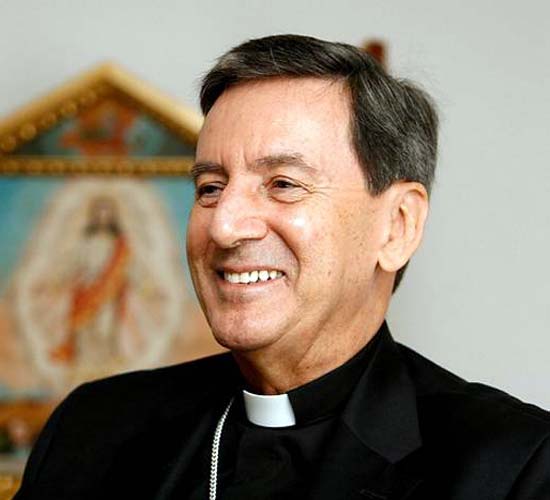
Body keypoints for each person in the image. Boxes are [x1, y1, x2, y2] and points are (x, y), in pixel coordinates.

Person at [14, 34, 550, 500]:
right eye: (210, 187)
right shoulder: (91, 431)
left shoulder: (514, 466)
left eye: (283, 184)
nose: (224, 227)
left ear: (397, 226)